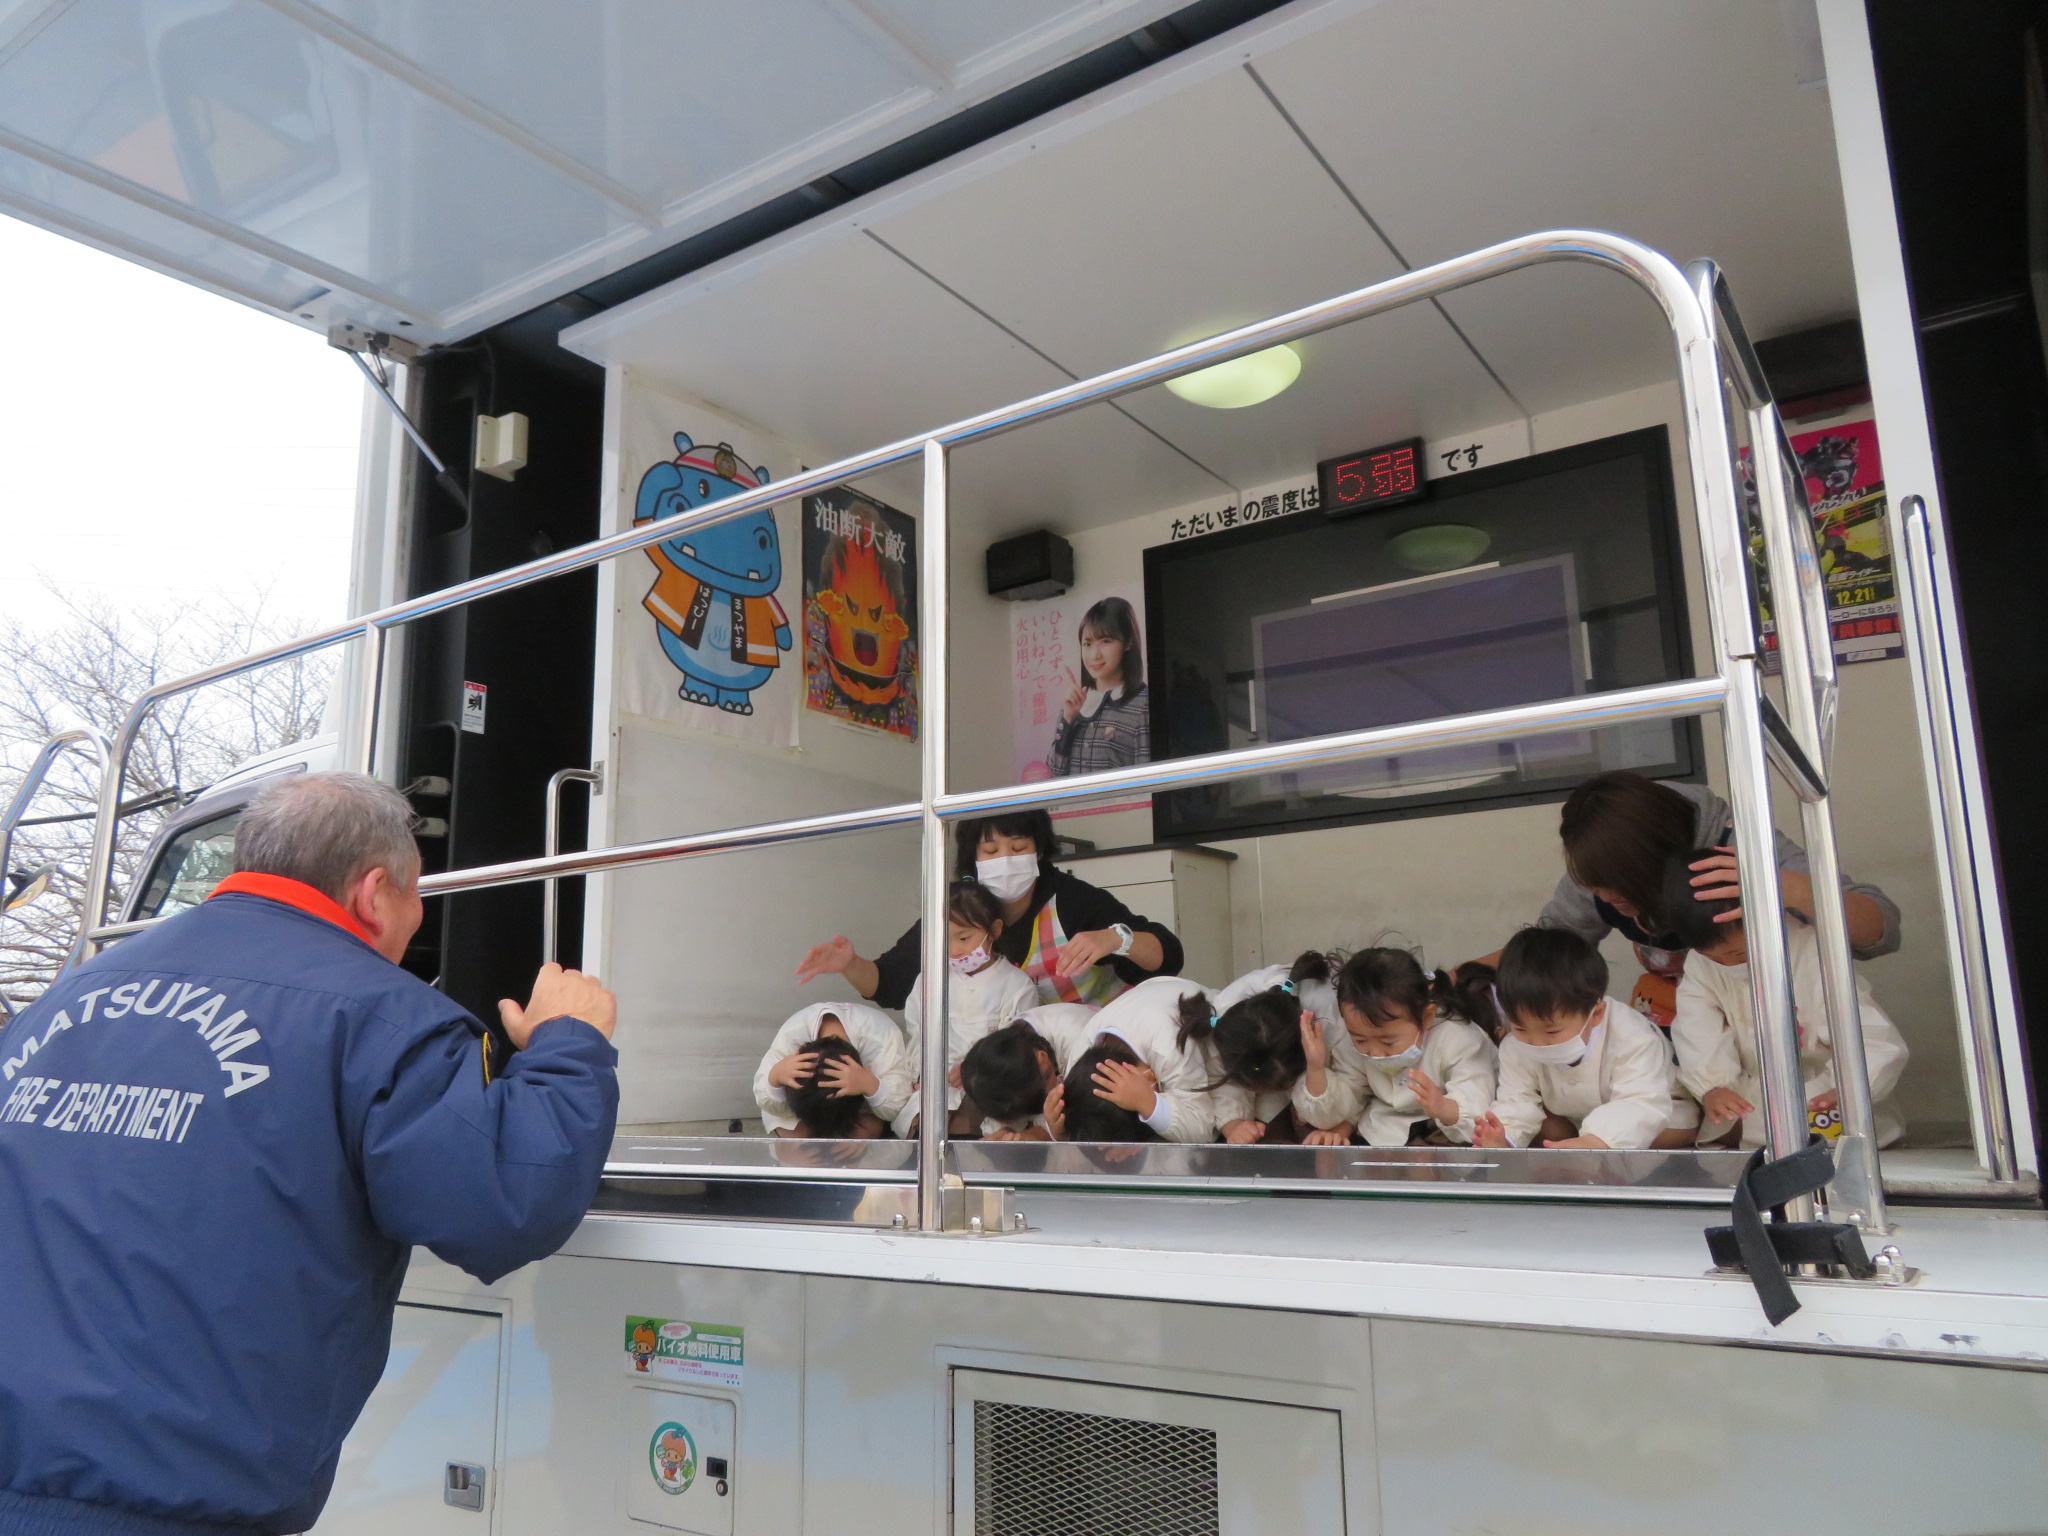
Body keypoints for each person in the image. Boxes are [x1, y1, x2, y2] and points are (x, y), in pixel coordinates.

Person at [0, 772, 618, 1536]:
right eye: (416, 893)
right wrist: (569, 1045)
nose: (417, 917)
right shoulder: (386, 1021)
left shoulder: (59, 1003)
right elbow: (505, 1206)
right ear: (372, 893)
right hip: (174, 1509)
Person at [1484, 771, 1903, 1028]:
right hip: (1682, 1015)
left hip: (1770, 1017)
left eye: (1622, 887)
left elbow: (1881, 930)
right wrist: (1450, 981)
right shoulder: (1599, 873)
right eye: (1594, 885)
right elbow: (1548, 948)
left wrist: (1783, 886)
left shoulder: (1737, 846)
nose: (1607, 897)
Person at [796, 808, 1182, 1009]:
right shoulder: (955, 910)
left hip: (1098, 1045)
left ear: (1040, 851)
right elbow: (892, 984)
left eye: (1018, 849)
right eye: (992, 851)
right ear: (973, 860)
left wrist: (1116, 938)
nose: (1006, 860)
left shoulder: (1072, 900)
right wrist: (849, 964)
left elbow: (1168, 957)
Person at [1660, 849, 1910, 1149]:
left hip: (1829, 1095)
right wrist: (1711, 1088)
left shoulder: (1812, 952)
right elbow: (1696, 1030)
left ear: (1765, 919)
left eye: (1738, 954)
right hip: (1757, 1108)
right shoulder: (1701, 967)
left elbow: (1869, 1036)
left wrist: (1849, 1086)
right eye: (1711, 956)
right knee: (1760, 1147)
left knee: (1834, 1148)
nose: (1726, 964)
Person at [1471, 927, 1696, 1151]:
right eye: (1520, 1028)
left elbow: (1641, 1101)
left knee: (1649, 1136)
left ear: (1595, 1014)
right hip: (1574, 1119)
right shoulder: (1516, 1046)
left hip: (1662, 1115)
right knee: (1548, 1129)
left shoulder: (1632, 1034)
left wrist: (1598, 1140)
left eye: (1552, 1032)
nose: (1536, 1043)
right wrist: (1504, 1137)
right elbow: (1516, 1100)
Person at [893, 881, 1039, 1138]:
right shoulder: (930, 980)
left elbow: (1017, 1048)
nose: (955, 950)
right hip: (936, 1087)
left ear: (994, 930)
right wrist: (922, 1074)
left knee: (983, 1132)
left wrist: (975, 1069)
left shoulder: (1017, 986)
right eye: (944, 939)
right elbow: (918, 1033)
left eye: (964, 938)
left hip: (991, 1090)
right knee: (926, 1126)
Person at [1319, 948, 1499, 1148]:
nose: (1375, 1053)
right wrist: (1316, 1071)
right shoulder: (1357, 1039)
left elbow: (1478, 1108)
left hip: (1450, 1132)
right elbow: (1352, 1093)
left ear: (1426, 1017)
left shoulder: (1460, 1040)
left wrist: (1443, 1107)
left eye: (1388, 1042)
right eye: (1360, 1041)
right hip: (1384, 1129)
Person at [1203, 954, 1359, 1145]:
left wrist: (1339, 1129)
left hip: (1327, 1078)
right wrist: (1233, 1125)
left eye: (1286, 1084)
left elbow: (1357, 1083)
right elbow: (1219, 1079)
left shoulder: (1333, 1018)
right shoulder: (1224, 1020)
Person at [1042, 974, 1217, 1143]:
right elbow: (1089, 1126)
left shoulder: (1171, 1046)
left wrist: (1149, 1103)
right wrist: (1060, 1130)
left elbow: (1205, 1129)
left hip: (1221, 1043)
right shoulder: (1082, 1054)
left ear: (1148, 1076)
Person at [754, 1001, 912, 1138]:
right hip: (805, 1108)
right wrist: (775, 1077)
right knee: (794, 1148)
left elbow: (899, 1103)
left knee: (862, 1137)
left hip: (862, 1108)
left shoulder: (881, 1037)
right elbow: (764, 1097)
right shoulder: (791, 1037)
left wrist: (870, 1085)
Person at [1045, 596, 1150, 776]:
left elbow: (1147, 784)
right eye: (1087, 644)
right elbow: (1055, 773)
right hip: (1075, 805)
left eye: (1106, 641)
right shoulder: (1076, 701)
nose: (1094, 655)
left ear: (1128, 642)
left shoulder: (1143, 705)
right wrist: (1068, 719)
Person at [962, 1004, 1100, 1140]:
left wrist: (1035, 1135)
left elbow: (1080, 1118)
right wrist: (1004, 1132)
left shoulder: (1080, 1048)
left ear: (1043, 1060)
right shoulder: (1006, 1048)